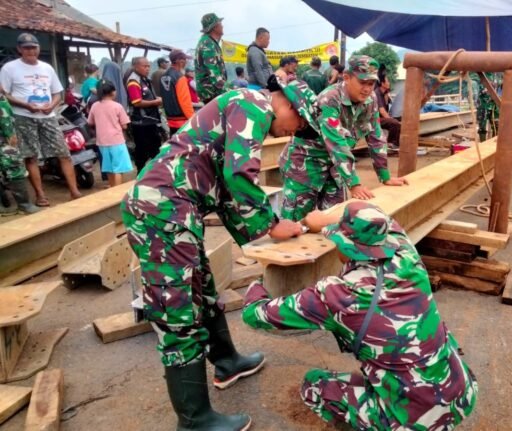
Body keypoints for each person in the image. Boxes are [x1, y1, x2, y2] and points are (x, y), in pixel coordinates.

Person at [122, 80, 318, 430]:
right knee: (178, 312)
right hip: (161, 209)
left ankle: (227, 361)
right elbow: (239, 174)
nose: (293, 133)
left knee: (203, 289)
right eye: (299, 125)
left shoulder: (247, 110)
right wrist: (271, 224)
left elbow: (227, 190)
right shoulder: (254, 105)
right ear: (288, 104)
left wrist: (260, 239)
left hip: (178, 210)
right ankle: (194, 419)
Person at [242, 201, 478, 430]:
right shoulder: (406, 252)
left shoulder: (339, 295)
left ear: (346, 247)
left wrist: (257, 283)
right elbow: (378, 215)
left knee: (314, 384)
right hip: (460, 394)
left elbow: (255, 315)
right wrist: (320, 221)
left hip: (415, 421)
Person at [278, 55, 408, 222]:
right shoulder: (330, 98)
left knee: (335, 220)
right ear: (346, 77)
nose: (367, 89)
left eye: (371, 83)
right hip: (306, 166)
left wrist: (385, 176)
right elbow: (336, 142)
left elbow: (375, 136)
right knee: (295, 224)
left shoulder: (371, 100)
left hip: (336, 169)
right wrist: (353, 183)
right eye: (362, 82)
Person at [0, 33, 81, 206]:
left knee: (64, 153)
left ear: (38, 48)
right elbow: (4, 94)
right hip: (23, 116)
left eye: (33, 47)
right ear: (19, 49)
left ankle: (74, 191)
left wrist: (52, 106)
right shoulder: (9, 68)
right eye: (26, 48)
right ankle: (40, 195)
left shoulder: (47, 68)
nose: (31, 51)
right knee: (30, 156)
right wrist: (25, 105)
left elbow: (57, 93)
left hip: (48, 116)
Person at [0, 93, 40, 215]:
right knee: (15, 166)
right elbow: (7, 124)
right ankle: (24, 204)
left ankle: (24, 204)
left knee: (14, 167)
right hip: (5, 142)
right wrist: (11, 139)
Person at [87, 82, 132, 187]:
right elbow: (125, 125)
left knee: (109, 167)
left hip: (102, 141)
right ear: (112, 92)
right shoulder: (117, 106)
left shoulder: (95, 105)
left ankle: (112, 189)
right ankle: (117, 193)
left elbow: (90, 122)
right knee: (118, 169)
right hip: (116, 140)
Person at [126, 56, 164, 172]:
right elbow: (137, 102)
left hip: (150, 120)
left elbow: (146, 96)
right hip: (141, 122)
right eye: (144, 66)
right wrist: (155, 102)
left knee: (155, 148)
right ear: (136, 67)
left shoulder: (144, 79)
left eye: (148, 66)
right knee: (142, 150)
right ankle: (141, 173)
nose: (147, 68)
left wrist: (155, 98)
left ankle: (156, 172)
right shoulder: (133, 81)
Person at [159, 50, 195, 136]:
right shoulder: (180, 77)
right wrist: (193, 119)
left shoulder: (163, 76)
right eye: (185, 60)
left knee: (174, 145)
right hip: (181, 120)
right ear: (180, 61)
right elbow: (184, 101)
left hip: (170, 118)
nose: (186, 62)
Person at [195, 13, 229, 103]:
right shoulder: (208, 44)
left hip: (212, 92)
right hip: (211, 92)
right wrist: (228, 92)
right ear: (214, 27)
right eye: (220, 24)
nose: (222, 26)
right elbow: (213, 73)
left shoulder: (209, 41)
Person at [374, 66, 400, 148]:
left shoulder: (385, 93)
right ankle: (391, 143)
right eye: (387, 81)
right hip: (375, 119)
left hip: (382, 118)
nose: (389, 83)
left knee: (400, 119)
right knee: (394, 123)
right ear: (382, 84)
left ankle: (397, 142)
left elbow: (388, 105)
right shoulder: (377, 93)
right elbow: (382, 111)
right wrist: (391, 119)